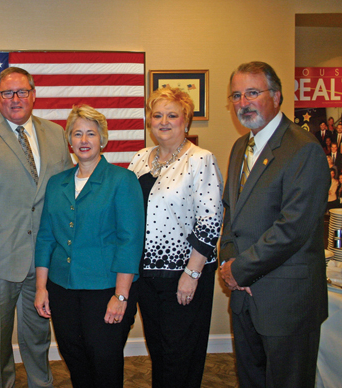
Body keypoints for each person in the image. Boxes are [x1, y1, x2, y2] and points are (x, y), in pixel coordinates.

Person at [0, 67, 73, 388]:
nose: (16, 99)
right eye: (8, 93)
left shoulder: (56, 134)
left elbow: (65, 196)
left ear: (34, 95)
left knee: (38, 339)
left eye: (22, 92)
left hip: (43, 263)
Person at [220, 61, 329, 388]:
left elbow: (293, 229)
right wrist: (228, 261)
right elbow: (231, 214)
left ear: (277, 96)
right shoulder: (241, 147)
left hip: (286, 302)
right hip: (245, 300)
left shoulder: (304, 148)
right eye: (236, 95)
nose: (243, 102)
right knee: (250, 379)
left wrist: (240, 270)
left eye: (252, 92)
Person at [34, 105, 144, 388]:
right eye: (77, 134)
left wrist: (121, 296)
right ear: (70, 141)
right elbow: (46, 237)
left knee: (104, 363)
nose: (84, 140)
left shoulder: (122, 180)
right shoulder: (56, 183)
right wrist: (41, 287)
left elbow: (129, 241)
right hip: (61, 289)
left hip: (105, 289)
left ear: (103, 139)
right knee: (74, 358)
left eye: (91, 134)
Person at [128, 86, 223, 388]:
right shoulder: (141, 158)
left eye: (172, 115)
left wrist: (192, 273)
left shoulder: (200, 159)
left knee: (180, 355)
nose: (164, 121)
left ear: (186, 121)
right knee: (159, 352)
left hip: (184, 274)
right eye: (157, 115)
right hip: (146, 276)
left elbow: (211, 220)